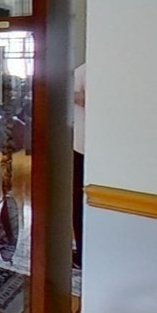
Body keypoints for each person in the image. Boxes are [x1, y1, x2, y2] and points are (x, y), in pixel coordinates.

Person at [73, 63, 85, 268]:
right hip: (80, 146)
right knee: (78, 200)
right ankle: (81, 251)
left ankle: (84, 252)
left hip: (86, 147)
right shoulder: (82, 71)